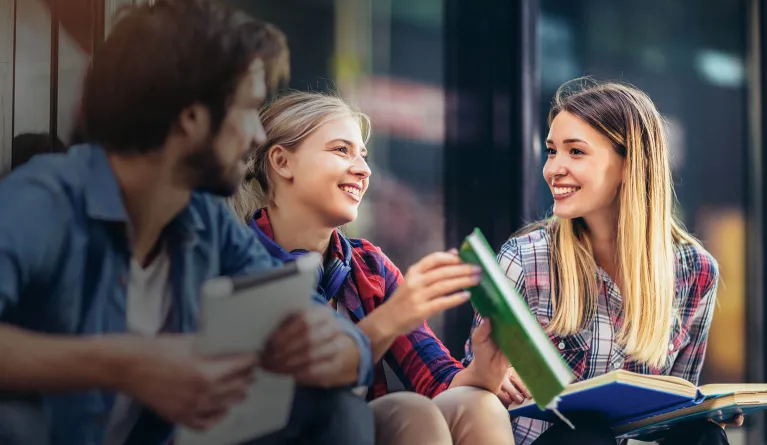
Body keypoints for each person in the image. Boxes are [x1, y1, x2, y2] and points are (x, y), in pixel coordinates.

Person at [0, 2, 375, 445]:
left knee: (337, 412)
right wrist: (128, 364)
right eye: (249, 108)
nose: (257, 135)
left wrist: (342, 347)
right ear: (192, 119)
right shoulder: (45, 201)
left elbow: (310, 314)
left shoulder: (203, 220)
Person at [464, 78, 743, 445]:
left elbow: (672, 410)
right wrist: (494, 376)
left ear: (630, 165)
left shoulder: (695, 272)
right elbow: (474, 389)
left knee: (702, 435)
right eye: (551, 151)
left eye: (575, 152)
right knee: (588, 434)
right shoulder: (525, 259)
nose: (553, 169)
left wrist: (705, 412)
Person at [229, 91, 516, 445]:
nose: (364, 170)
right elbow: (303, 387)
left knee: (477, 403)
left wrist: (484, 371)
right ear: (282, 162)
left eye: (363, 156)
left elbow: (436, 379)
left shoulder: (369, 266)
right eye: (341, 150)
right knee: (412, 413)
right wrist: (392, 317)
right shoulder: (237, 261)